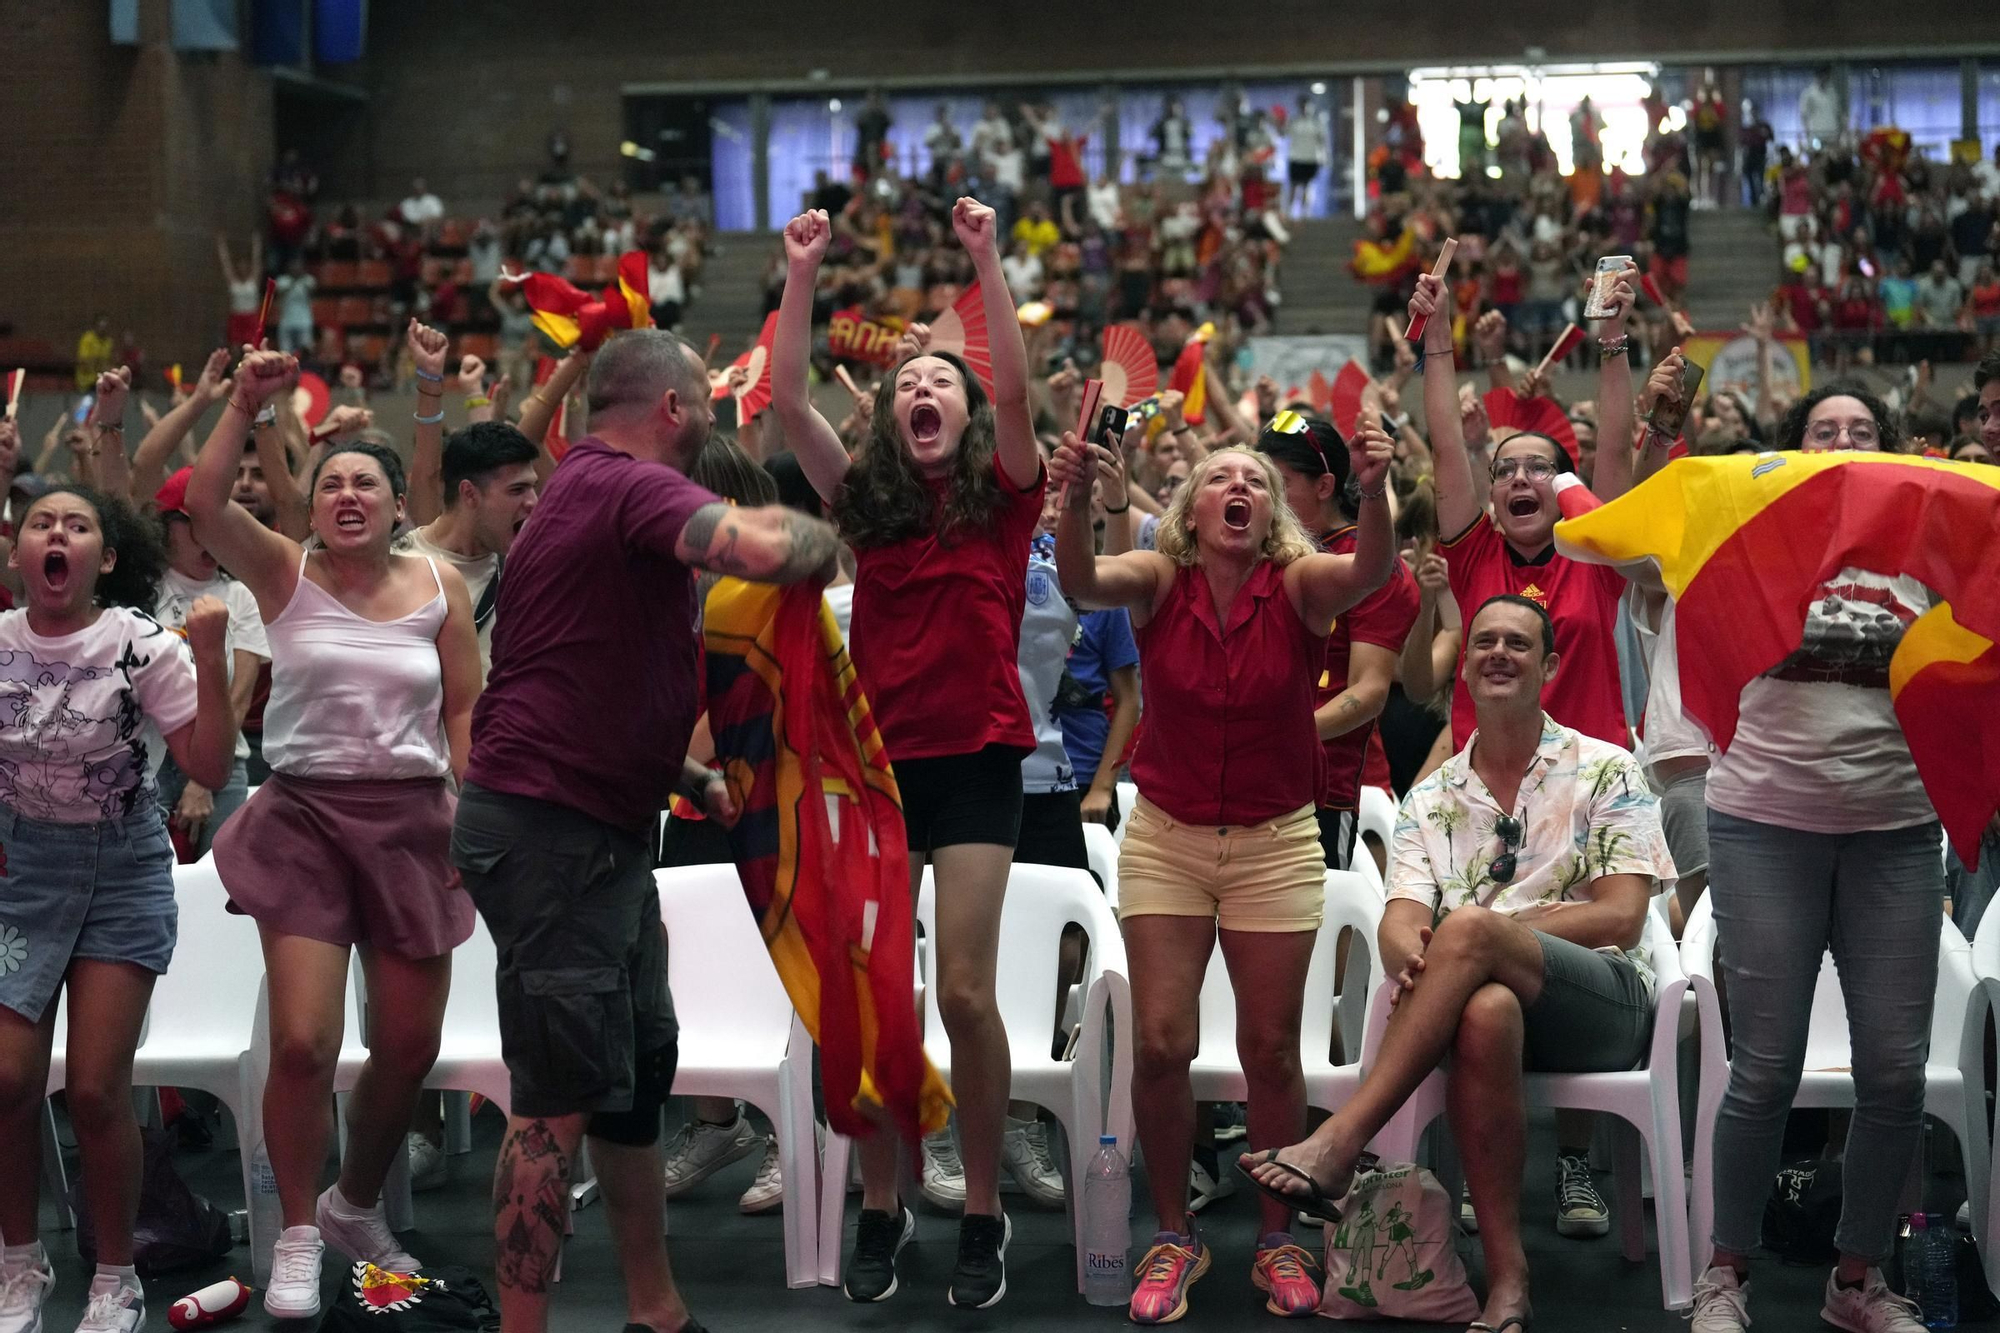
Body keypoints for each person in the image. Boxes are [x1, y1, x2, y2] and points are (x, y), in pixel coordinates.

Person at [453, 328, 839, 1333]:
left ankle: (654, 1310)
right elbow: (759, 545)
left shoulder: (574, 491)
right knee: (554, 1094)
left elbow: (570, 669)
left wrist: (681, 769)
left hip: (596, 824)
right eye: (705, 401)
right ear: (672, 408)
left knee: (630, 1074)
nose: (712, 416)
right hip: (555, 833)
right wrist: (842, 541)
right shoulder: (629, 486)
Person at [1241, 594, 1674, 1333]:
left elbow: (1621, 915)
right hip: (1486, 1013)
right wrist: (1427, 952)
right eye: (1484, 643)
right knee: (1484, 1008)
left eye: (1518, 643)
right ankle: (1508, 1280)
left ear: (1552, 665)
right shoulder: (1432, 795)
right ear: (1463, 666)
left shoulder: (1607, 768)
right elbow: (1401, 919)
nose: (1499, 653)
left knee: (1471, 930)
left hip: (1602, 1003)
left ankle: (1344, 1138)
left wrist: (1481, 937)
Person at [1051, 425, 1395, 1323]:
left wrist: (1375, 487)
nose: (1238, 486)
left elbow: (1368, 574)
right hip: (1166, 835)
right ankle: (1174, 1233)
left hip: (1277, 840)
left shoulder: (1300, 584)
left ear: (1270, 512)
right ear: (1193, 511)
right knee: (1162, 1042)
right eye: (1220, 479)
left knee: (1271, 1049)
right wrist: (1078, 500)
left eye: (1253, 480)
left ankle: (1279, 1237)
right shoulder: (1159, 581)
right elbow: (1084, 581)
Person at [773, 199, 1041, 1309]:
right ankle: (880, 1202)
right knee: (878, 997)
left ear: (968, 412)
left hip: (976, 757)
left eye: (940, 381)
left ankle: (980, 1209)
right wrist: (801, 274)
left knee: (965, 998)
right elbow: (785, 396)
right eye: (903, 386)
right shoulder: (864, 504)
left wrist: (985, 257)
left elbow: (1020, 391)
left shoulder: (1001, 501)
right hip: (872, 769)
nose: (919, 390)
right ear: (883, 419)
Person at [184, 349, 483, 1320]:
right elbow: (204, 500)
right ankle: (302, 1236)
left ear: (401, 504)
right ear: (309, 507)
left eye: (367, 482)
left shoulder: (444, 587)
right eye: (331, 483)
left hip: (412, 822)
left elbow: (468, 714)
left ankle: (355, 1202)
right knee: (307, 1043)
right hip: (305, 815)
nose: (347, 493)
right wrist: (239, 404)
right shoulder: (280, 568)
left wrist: (479, 819)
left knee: (408, 1044)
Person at [1685, 431, 1951, 1333]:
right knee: (1763, 1070)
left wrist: (1940, 503)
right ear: (1797, 452)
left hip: (1899, 834)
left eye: (1860, 432)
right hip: (1765, 827)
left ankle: (1856, 1280)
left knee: (1893, 1073)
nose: (1843, 444)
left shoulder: (1931, 536)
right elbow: (1643, 534)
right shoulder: (1749, 528)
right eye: (1825, 430)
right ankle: (1728, 1271)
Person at [1410, 263, 1642, 1237]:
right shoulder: (1474, 556)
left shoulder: (1594, 559)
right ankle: (1471, 1168)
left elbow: (1623, 454)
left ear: (1563, 488)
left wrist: (1614, 345)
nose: (1514, 480)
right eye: (1501, 468)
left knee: (1545, 975)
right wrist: (1432, 339)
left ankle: (1580, 1168)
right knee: (1482, 997)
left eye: (1535, 469)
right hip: (1479, 811)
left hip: (1579, 811)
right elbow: (1442, 447)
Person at [0, 487, 236, 1333]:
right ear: (20, 551)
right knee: (7, 1078)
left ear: (104, 556)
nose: (56, 534)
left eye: (77, 524)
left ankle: (114, 1274)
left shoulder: (141, 644)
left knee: (99, 1091)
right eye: (40, 523)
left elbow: (206, 757)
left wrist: (211, 658)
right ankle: (17, 1264)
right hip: (22, 874)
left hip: (122, 874)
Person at [1258, 413, 1418, 869]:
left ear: (1325, 486)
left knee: (1318, 936)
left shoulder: (1372, 567)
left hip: (1319, 791)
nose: (1263, 499)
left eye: (1280, 484)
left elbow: (1368, 693)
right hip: (1238, 781)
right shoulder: (1259, 554)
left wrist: (1274, 736)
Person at [150, 468, 268, 859]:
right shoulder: (143, 590)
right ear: (167, 526)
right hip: (148, 762)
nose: (208, 533)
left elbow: (239, 698)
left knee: (223, 892)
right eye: (192, 522)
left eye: (215, 520)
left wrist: (202, 779)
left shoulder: (240, 595)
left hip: (222, 767)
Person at [1284, 95, 1326, 219]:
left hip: (1311, 159)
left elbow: (1322, 141)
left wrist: (1323, 158)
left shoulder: (1316, 123)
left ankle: (1305, 215)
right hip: (1296, 158)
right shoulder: (1293, 122)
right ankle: (1288, 214)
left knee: (1307, 187)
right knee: (1294, 186)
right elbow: (1284, 134)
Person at [75, 315, 114, 394]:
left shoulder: (109, 342)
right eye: (101, 326)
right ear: (96, 326)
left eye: (105, 326)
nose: (103, 329)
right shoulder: (87, 339)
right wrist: (98, 363)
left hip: (102, 382)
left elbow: (108, 363)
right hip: (87, 383)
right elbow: (83, 362)